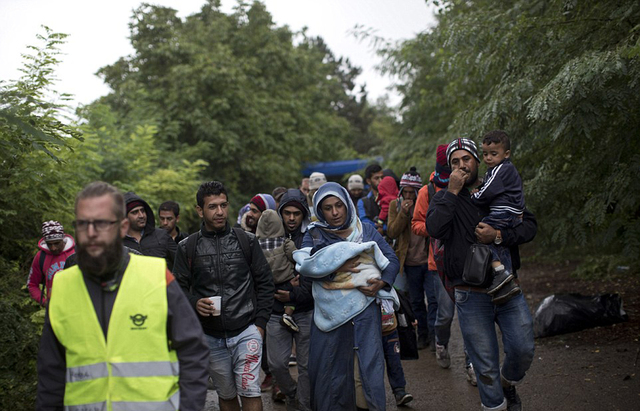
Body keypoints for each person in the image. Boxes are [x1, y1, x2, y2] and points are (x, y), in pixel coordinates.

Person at [36, 181, 209, 411]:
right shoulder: (63, 285)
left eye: (101, 223)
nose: (91, 233)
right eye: (82, 224)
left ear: (122, 227)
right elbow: (51, 375)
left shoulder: (157, 276)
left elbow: (193, 351)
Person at [426, 138, 537, 411]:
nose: (461, 165)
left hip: (507, 287)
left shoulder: (497, 188)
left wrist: (498, 235)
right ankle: (495, 404)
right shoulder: (444, 197)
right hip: (470, 295)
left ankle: (508, 383)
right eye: (455, 162)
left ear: (477, 161)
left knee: (523, 349)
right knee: (484, 366)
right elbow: (435, 228)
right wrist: (452, 191)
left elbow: (529, 226)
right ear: (449, 168)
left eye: (466, 159)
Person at [295, 182, 399, 411]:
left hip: (365, 309)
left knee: (370, 365)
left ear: (347, 205)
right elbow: (306, 268)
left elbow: (391, 259)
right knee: (328, 367)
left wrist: (382, 283)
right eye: (327, 208)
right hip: (329, 312)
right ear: (319, 211)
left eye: (339, 206)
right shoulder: (313, 234)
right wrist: (336, 266)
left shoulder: (365, 230)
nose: (334, 213)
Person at [173, 181, 274, 411]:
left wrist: (259, 325)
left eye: (223, 205)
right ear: (200, 210)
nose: (219, 212)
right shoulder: (187, 247)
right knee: (227, 395)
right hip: (209, 336)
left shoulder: (246, 241)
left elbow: (265, 283)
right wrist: (194, 302)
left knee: (250, 391)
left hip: (246, 331)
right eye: (212, 207)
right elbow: (177, 290)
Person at [471, 130, 525, 304]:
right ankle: (505, 276)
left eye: (494, 154)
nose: (488, 158)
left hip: (505, 211)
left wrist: (475, 196)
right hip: (511, 212)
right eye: (485, 154)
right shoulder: (498, 169)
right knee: (495, 240)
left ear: (506, 154)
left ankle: (500, 271)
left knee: (481, 231)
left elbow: (488, 192)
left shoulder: (502, 169)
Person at [387, 167, 434, 350]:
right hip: (410, 263)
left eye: (411, 192)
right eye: (404, 191)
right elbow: (392, 231)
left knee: (433, 299)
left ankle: (434, 335)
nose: (408, 195)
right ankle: (422, 335)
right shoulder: (395, 205)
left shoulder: (426, 202)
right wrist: (404, 213)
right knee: (416, 302)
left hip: (428, 260)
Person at [27, 221, 75, 306]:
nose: (53, 248)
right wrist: (44, 301)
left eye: (57, 243)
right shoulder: (41, 256)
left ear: (62, 239)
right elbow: (32, 284)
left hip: (78, 307)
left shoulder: (77, 253)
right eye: (49, 244)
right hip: (53, 309)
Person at [123, 192, 177, 268]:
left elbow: (181, 266)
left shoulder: (162, 236)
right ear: (124, 217)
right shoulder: (118, 243)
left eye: (142, 211)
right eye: (135, 212)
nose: (141, 215)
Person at [357, 164, 384, 232]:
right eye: (376, 178)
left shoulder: (391, 199)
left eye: (382, 177)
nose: (380, 181)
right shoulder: (363, 202)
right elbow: (364, 222)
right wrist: (376, 226)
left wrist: (384, 228)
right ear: (368, 181)